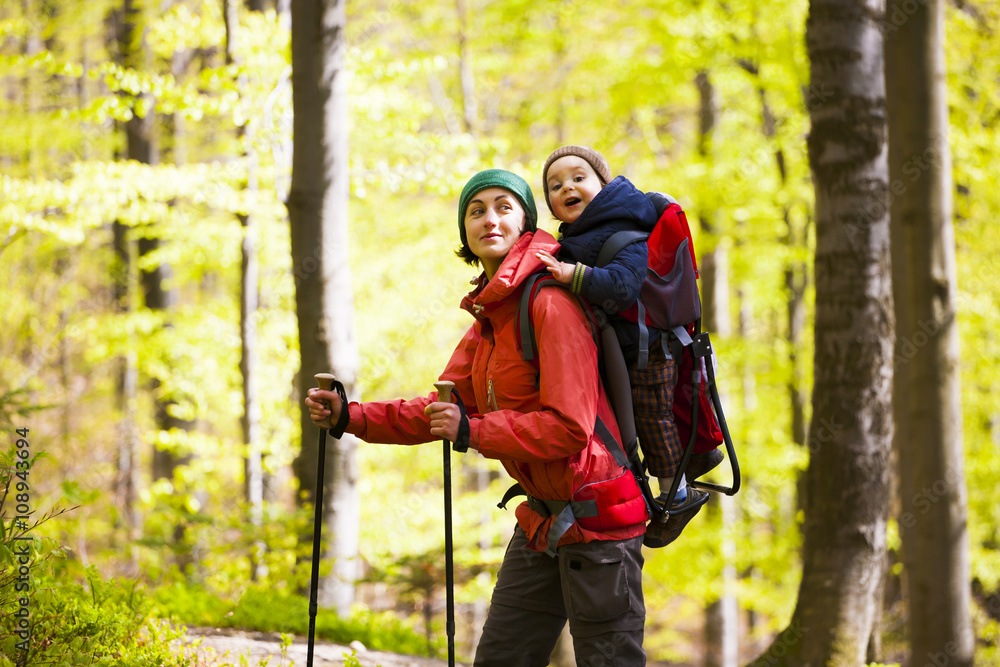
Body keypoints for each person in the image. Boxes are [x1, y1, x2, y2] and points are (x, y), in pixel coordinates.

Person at [305, 169, 648, 665]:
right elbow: (440, 409)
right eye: (476, 209)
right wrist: (350, 417)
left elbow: (571, 430)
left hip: (601, 527)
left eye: (504, 207)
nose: (490, 218)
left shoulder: (549, 303)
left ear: (527, 221)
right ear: (464, 230)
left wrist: (474, 431)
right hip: (542, 521)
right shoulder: (493, 318)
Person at [536, 145, 723, 549]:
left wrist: (575, 274)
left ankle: (676, 498)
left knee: (652, 420)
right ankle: (696, 459)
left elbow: (623, 286)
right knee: (639, 421)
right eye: (555, 185)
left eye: (578, 177)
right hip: (624, 349)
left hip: (650, 348)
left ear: (603, 185)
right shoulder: (579, 236)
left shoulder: (625, 228)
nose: (567, 186)